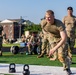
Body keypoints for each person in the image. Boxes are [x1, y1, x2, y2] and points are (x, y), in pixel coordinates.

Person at [38, 10, 72, 75]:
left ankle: (67, 67)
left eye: (50, 17)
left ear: (54, 17)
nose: (48, 19)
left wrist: (54, 48)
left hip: (61, 39)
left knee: (61, 55)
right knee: (56, 56)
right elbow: (44, 30)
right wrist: (48, 36)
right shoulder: (43, 23)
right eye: (46, 17)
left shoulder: (59, 24)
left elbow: (64, 38)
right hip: (52, 37)